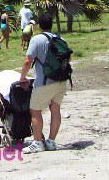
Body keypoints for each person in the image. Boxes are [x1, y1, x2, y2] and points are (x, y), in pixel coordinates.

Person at [19, 14, 68, 153]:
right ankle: (51, 141)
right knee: (55, 109)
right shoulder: (60, 38)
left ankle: (38, 142)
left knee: (35, 111)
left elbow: (28, 61)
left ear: (39, 25)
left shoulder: (37, 39)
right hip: (61, 80)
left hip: (44, 81)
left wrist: (22, 77)